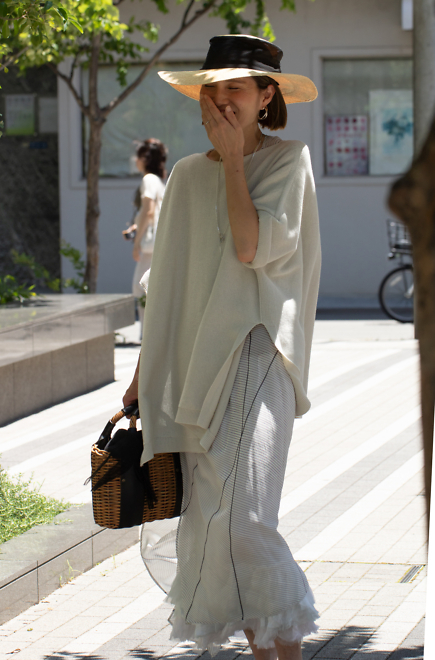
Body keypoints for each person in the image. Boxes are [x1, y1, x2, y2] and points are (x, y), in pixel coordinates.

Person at [123, 34, 321, 660]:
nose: (222, 99)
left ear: (266, 97)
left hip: (259, 354)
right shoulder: (185, 174)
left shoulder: (289, 161)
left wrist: (235, 162)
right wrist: (142, 374)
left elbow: (251, 247)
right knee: (214, 529)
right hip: (193, 367)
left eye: (237, 86)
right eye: (214, 88)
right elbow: (170, 287)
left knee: (246, 523)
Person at [128, 138, 167, 332]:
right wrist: (135, 227)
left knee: (142, 287)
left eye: (137, 156)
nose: (135, 160)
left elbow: (148, 210)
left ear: (145, 158)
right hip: (160, 241)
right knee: (153, 288)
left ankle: (147, 334)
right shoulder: (159, 181)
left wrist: (136, 242)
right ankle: (150, 333)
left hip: (151, 244)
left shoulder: (148, 180)